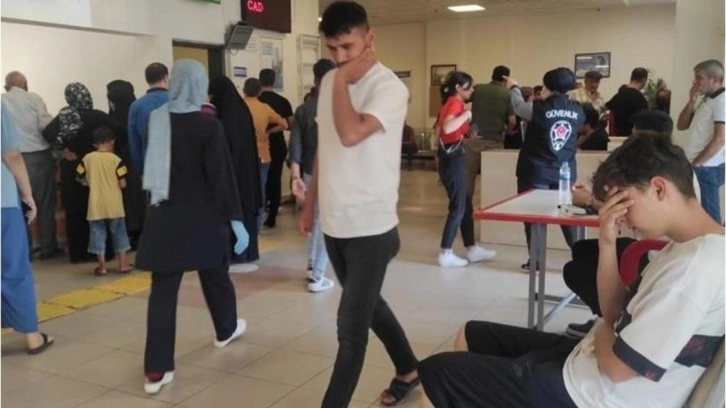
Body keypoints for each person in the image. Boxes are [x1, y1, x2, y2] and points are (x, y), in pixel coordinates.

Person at [418, 133, 725, 408]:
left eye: (624, 202)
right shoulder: (688, 247)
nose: (624, 217)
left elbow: (618, 367)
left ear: (658, 188)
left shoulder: (694, 268)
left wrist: (603, 327)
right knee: (471, 334)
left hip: (596, 395)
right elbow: (614, 311)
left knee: (438, 374)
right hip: (590, 368)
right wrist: (607, 243)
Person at [301, 2, 420, 406]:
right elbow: (326, 146)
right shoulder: (330, 82)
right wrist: (310, 204)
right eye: (332, 49)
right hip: (335, 223)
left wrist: (338, 81)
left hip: (372, 227)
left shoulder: (389, 88)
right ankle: (409, 368)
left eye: (347, 47)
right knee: (370, 306)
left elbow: (350, 133)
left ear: (370, 39)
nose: (339, 57)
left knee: (350, 329)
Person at [134, 60, 250, 395]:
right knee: (215, 276)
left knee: (162, 292)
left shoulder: (156, 120)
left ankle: (156, 370)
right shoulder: (209, 126)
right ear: (198, 86)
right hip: (204, 220)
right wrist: (236, 219)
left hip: (164, 218)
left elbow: (148, 165)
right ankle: (226, 329)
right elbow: (221, 178)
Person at [563, 110, 702, 338]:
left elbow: (616, 358)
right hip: (655, 246)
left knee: (576, 271)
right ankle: (608, 315)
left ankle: (605, 317)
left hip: (651, 249)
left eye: (634, 139)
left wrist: (589, 201)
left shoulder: (686, 272)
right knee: (582, 249)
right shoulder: (678, 169)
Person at [506, 68, 585, 271]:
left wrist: (514, 87)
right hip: (564, 171)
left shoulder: (537, 108)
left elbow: (518, 106)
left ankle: (536, 261)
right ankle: (584, 258)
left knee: (535, 217)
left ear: (546, 87)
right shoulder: (578, 109)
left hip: (536, 171)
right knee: (568, 216)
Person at [42, 83, 124, 263]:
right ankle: (103, 252)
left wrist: (62, 150)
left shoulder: (64, 116)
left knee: (75, 211)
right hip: (97, 167)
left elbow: (47, 134)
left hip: (73, 168)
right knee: (99, 210)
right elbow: (120, 130)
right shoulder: (98, 116)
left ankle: (79, 253)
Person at [1, 101, 55, 355]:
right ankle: (32, 338)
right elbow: (11, 155)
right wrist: (27, 194)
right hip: (2, 202)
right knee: (14, 267)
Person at [435, 71, 496, 267]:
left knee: (465, 205)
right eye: (469, 87)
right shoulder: (455, 103)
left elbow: (439, 133)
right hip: (453, 161)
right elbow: (447, 128)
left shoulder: (449, 103)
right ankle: (446, 252)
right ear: (458, 88)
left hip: (451, 160)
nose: (472, 91)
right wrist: (467, 115)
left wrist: (466, 133)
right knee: (458, 207)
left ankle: (472, 248)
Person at [288, 58, 337, 293]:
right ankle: (317, 275)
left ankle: (310, 265)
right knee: (328, 222)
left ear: (315, 80)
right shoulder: (339, 107)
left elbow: (295, 145)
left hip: (308, 171)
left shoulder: (304, 109)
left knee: (316, 218)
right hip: (332, 172)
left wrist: (295, 176)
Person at [2, 71, 61, 260]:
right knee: (45, 204)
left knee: (19, 206)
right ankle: (48, 247)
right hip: (39, 157)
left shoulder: (2, 101)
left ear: (6, 87)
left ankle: (25, 250)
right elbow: (46, 127)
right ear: (26, 84)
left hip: (9, 162)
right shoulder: (34, 99)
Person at [209, 76, 263, 265]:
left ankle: (234, 252)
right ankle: (248, 252)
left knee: (233, 209)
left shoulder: (222, 118)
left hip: (232, 173)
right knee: (245, 211)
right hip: (247, 172)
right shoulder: (242, 110)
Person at [75, 127, 132, 276]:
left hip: (95, 205)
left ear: (95, 144)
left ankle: (102, 267)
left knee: (97, 234)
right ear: (111, 142)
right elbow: (123, 183)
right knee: (119, 233)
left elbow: (79, 176)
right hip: (114, 204)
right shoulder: (116, 160)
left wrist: (88, 182)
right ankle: (123, 265)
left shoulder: (87, 159)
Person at [677, 59, 725, 224]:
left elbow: (720, 138)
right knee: (698, 215)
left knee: (710, 218)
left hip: (707, 168)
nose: (695, 82)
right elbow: (681, 125)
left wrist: (697, 163)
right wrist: (692, 100)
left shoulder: (722, 101)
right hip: (698, 166)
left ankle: (717, 241)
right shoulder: (707, 99)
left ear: (714, 80)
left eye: (699, 78)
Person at [242, 78, 288, 227]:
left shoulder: (239, 106)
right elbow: (284, 124)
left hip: (243, 154)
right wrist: (268, 132)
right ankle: (258, 221)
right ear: (259, 91)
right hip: (263, 154)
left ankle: (245, 220)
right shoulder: (265, 108)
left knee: (243, 187)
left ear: (244, 90)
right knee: (261, 188)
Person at [107, 80, 145, 250]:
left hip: (122, 164)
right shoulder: (137, 113)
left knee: (128, 199)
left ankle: (130, 234)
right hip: (136, 163)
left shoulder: (111, 121)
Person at [258, 69, 294, 228]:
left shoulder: (256, 101)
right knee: (275, 178)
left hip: (260, 145)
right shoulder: (283, 101)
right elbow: (291, 125)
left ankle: (261, 211)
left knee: (261, 179)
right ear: (274, 82)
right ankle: (273, 214)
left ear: (259, 81)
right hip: (278, 145)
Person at [128, 63, 169, 176]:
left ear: (147, 80)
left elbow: (135, 144)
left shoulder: (136, 106)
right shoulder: (179, 102)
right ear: (166, 78)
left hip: (152, 169)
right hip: (180, 168)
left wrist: (140, 171)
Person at [605, 67, 649, 136]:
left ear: (631, 77)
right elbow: (643, 123)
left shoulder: (619, 95)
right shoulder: (640, 99)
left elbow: (605, 107)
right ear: (644, 80)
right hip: (631, 138)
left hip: (615, 137)